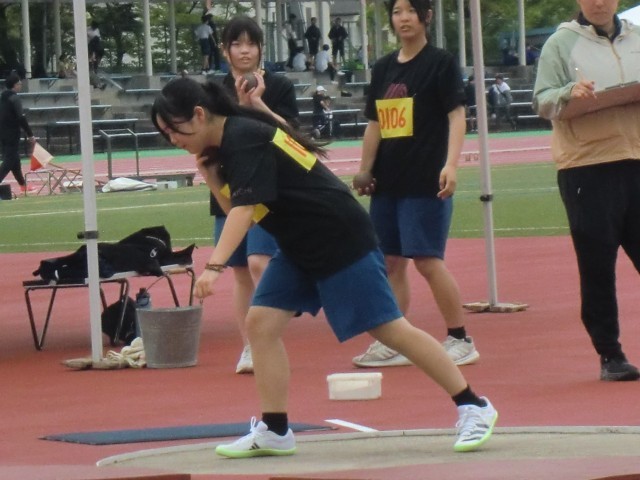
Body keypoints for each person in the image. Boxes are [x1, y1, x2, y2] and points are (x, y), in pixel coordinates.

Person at [151, 75, 498, 458]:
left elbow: (245, 212)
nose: (172, 139)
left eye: (173, 129)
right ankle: (275, 429)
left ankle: (474, 405)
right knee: (260, 324)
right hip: (299, 244)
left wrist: (214, 267)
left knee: (389, 329)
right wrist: (209, 175)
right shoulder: (231, 142)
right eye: (165, 134)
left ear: (199, 115)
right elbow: (237, 208)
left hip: (338, 236)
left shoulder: (243, 136)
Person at [350, 0, 480, 369]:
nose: (403, 18)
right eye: (396, 11)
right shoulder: (384, 68)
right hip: (388, 181)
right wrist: (364, 168)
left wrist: (451, 165)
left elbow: (457, 116)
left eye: (410, 10)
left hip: (426, 180)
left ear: (426, 16)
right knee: (389, 261)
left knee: (427, 260)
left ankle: (460, 338)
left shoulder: (441, 63)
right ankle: (395, 339)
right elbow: (375, 123)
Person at [532, 0, 640, 382]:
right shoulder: (560, 43)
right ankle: (610, 354)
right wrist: (569, 93)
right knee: (597, 267)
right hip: (587, 167)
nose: (598, 2)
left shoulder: (637, 37)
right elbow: (542, 100)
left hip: (636, 157)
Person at [214, 15, 299, 374]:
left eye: (251, 43)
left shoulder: (278, 86)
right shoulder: (215, 91)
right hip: (229, 185)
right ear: (226, 50)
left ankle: (269, 334)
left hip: (268, 188)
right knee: (239, 271)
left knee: (259, 261)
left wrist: (259, 105)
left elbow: (293, 137)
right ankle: (249, 347)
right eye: (237, 44)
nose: (245, 50)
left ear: (262, 49)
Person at [0, 72, 36, 194]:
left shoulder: (2, 98)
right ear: (15, 85)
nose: (21, 85)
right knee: (9, 160)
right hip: (12, 133)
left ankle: (23, 185)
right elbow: (21, 117)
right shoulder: (14, 98)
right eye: (19, 83)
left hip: (2, 133)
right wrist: (30, 134)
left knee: (15, 160)